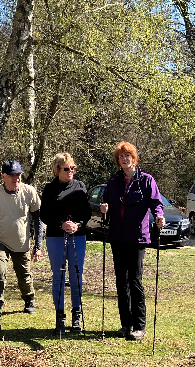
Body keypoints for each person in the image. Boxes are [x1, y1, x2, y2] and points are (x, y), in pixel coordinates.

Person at [100, 142, 165, 341]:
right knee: (121, 281)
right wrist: (104, 208)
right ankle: (125, 324)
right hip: (117, 237)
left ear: (134, 158)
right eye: (121, 157)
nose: (124, 159)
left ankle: (139, 325)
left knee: (134, 279)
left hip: (137, 237)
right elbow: (106, 202)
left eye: (127, 155)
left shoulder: (146, 180)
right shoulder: (114, 181)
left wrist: (159, 216)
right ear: (118, 160)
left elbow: (156, 203)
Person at [0, 160, 44, 334]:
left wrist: (38, 245)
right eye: (12, 175)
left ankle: (29, 298)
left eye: (18, 175)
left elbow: (39, 219)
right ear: (3, 176)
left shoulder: (29, 191)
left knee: (24, 275)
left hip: (21, 242)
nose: (16, 178)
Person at [40, 153, 91, 334]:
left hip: (77, 237)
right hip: (56, 237)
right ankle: (59, 318)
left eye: (73, 168)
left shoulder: (80, 186)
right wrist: (61, 223)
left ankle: (76, 316)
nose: (70, 171)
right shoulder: (49, 189)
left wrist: (77, 225)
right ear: (57, 170)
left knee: (76, 276)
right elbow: (44, 215)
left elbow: (87, 214)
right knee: (58, 277)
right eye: (66, 168)